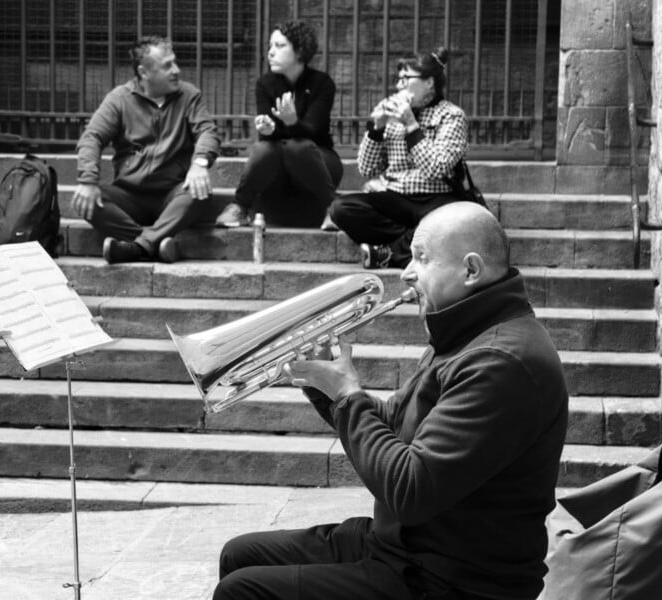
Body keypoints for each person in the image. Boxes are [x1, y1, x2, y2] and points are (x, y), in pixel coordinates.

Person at [214, 201, 569, 600]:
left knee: (242, 592)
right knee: (239, 555)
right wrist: (322, 383)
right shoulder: (465, 332)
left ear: (470, 270)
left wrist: (348, 395)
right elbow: (393, 424)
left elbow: (410, 490)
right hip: (409, 547)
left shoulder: (501, 361)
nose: (406, 272)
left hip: (453, 578)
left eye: (421, 258)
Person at [73, 36, 221, 264]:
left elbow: (207, 131)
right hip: (129, 196)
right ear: (143, 72)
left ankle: (135, 248)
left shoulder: (189, 96)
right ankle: (153, 244)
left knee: (198, 192)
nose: (176, 70)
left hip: (171, 195)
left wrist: (200, 163)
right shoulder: (119, 99)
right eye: (167, 66)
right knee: (86, 201)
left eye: (175, 62)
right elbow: (92, 137)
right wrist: (87, 180)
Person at [326, 47, 470, 269]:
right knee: (341, 209)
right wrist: (377, 129)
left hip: (436, 197)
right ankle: (415, 243)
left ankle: (388, 253)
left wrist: (411, 124)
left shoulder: (451, 116)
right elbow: (366, 168)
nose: (398, 86)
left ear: (429, 82)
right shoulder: (392, 116)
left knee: (451, 225)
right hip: (396, 197)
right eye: (398, 79)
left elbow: (436, 168)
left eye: (406, 79)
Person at [215, 20, 343, 229]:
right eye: (270, 46)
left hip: (318, 163)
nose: (271, 52)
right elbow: (269, 137)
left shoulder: (322, 83)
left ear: (300, 51)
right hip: (277, 172)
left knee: (297, 146)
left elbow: (313, 130)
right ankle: (239, 207)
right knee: (264, 148)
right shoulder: (265, 84)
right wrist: (269, 129)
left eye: (279, 46)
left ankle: (334, 209)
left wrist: (292, 123)